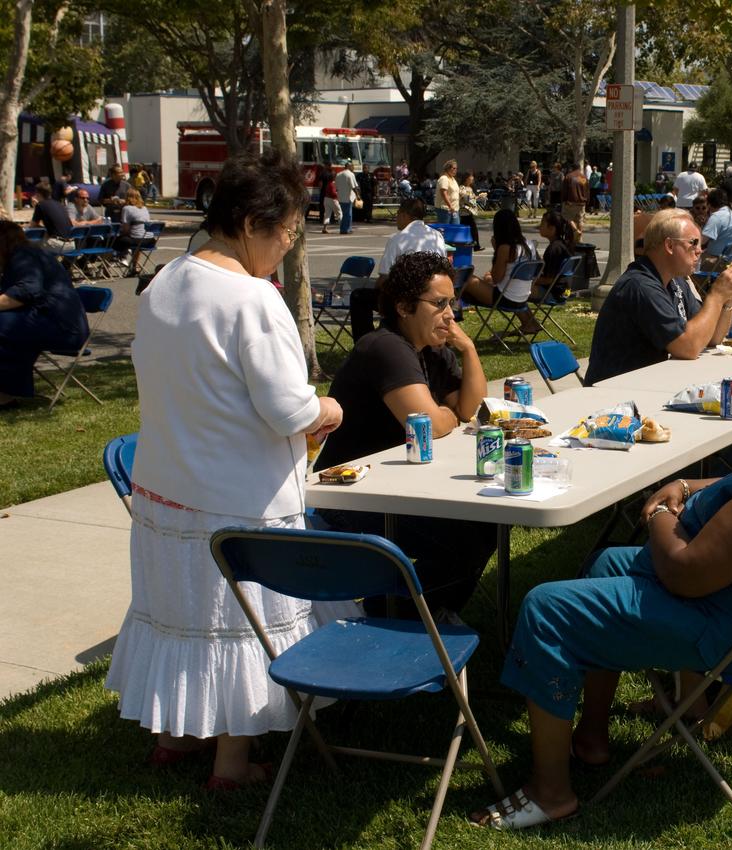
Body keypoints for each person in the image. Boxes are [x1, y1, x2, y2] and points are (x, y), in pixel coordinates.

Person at [472, 333, 732, 830]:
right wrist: (687, 486)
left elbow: (686, 573)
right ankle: (592, 736)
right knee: (606, 563)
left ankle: (551, 793)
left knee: (547, 609)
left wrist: (659, 514)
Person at [104, 149, 347, 790]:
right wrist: (327, 407)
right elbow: (286, 408)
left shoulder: (164, 283)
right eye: (287, 231)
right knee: (241, 624)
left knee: (182, 615)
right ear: (248, 224)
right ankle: (232, 765)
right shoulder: (252, 298)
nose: (289, 244)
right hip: (238, 497)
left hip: (165, 488)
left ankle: (175, 735)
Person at [315, 251, 494, 618]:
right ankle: (397, 616)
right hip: (351, 499)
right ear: (403, 306)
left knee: (484, 528)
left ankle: (413, 611)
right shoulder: (386, 347)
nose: (451, 314)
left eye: (452, 303)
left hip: (397, 489)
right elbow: (430, 423)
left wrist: (469, 348)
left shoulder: (433, 350)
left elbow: (469, 409)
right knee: (465, 539)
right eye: (439, 303)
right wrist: (446, 415)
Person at [583, 209, 732, 385]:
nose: (700, 250)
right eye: (693, 243)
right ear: (669, 245)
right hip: (613, 391)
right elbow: (688, 347)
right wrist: (716, 295)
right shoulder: (640, 285)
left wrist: (728, 300)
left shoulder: (675, 281)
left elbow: (711, 337)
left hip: (644, 385)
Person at [0, 222, 89, 407]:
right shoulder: (27, 254)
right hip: (52, 322)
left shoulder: (24, 256)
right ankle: (7, 392)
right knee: (10, 331)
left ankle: (6, 394)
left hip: (62, 328)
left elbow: (26, 292)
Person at [347, 198, 449, 342]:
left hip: (407, 299)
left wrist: (379, 291)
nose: (396, 219)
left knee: (359, 296)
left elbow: (384, 278)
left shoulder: (399, 238)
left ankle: (364, 343)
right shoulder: (437, 236)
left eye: (397, 214)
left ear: (404, 215)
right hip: (433, 295)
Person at [461, 208, 540, 336]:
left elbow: (496, 278)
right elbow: (539, 267)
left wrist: (496, 250)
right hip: (523, 295)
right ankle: (530, 323)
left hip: (506, 298)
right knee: (489, 281)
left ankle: (454, 310)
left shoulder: (505, 248)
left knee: (468, 279)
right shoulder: (529, 244)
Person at [531, 209, 577, 299]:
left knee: (515, 289)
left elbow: (549, 280)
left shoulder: (554, 249)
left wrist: (530, 280)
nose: (539, 227)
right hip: (564, 290)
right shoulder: (562, 244)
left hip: (554, 293)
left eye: (542, 224)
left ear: (552, 228)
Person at [700, 188, 732, 265]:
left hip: (721, 263)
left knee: (690, 258)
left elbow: (701, 241)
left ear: (709, 204)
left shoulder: (716, 217)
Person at [110, 188, 152, 276]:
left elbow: (126, 229)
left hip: (137, 239)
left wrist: (120, 233)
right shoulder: (144, 208)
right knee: (136, 241)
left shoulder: (126, 208)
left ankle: (108, 265)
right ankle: (135, 266)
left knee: (112, 241)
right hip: (149, 240)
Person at [29, 183, 76, 253]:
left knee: (27, 244)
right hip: (72, 244)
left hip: (58, 245)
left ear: (38, 194)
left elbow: (32, 226)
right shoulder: (59, 204)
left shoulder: (40, 205)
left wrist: (35, 206)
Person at [561, 163, 590, 232]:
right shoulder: (583, 178)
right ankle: (579, 235)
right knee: (580, 220)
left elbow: (564, 190)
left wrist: (563, 200)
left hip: (571, 202)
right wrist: (587, 201)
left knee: (567, 217)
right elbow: (587, 190)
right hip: (581, 203)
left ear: (572, 168)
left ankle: (576, 231)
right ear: (580, 168)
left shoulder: (569, 177)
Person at [335, 159, 360, 234]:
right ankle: (345, 229)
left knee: (345, 214)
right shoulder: (350, 174)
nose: (353, 168)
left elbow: (336, 187)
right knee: (347, 214)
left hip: (340, 197)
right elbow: (354, 186)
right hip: (348, 198)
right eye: (352, 166)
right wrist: (358, 195)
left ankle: (347, 228)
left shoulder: (338, 174)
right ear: (349, 167)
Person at [434, 159, 460, 225]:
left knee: (455, 228)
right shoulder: (444, 178)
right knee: (445, 229)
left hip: (454, 209)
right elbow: (443, 193)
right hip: (445, 209)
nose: (455, 170)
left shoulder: (453, 179)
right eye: (454, 168)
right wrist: (450, 206)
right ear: (448, 168)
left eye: (456, 168)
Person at [318, 161, 339, 234]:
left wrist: (320, 189)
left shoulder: (323, 173)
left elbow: (320, 183)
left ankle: (321, 219)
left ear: (326, 165)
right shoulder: (333, 172)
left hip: (324, 191)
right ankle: (332, 219)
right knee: (332, 206)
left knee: (323, 206)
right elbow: (335, 182)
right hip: (331, 191)